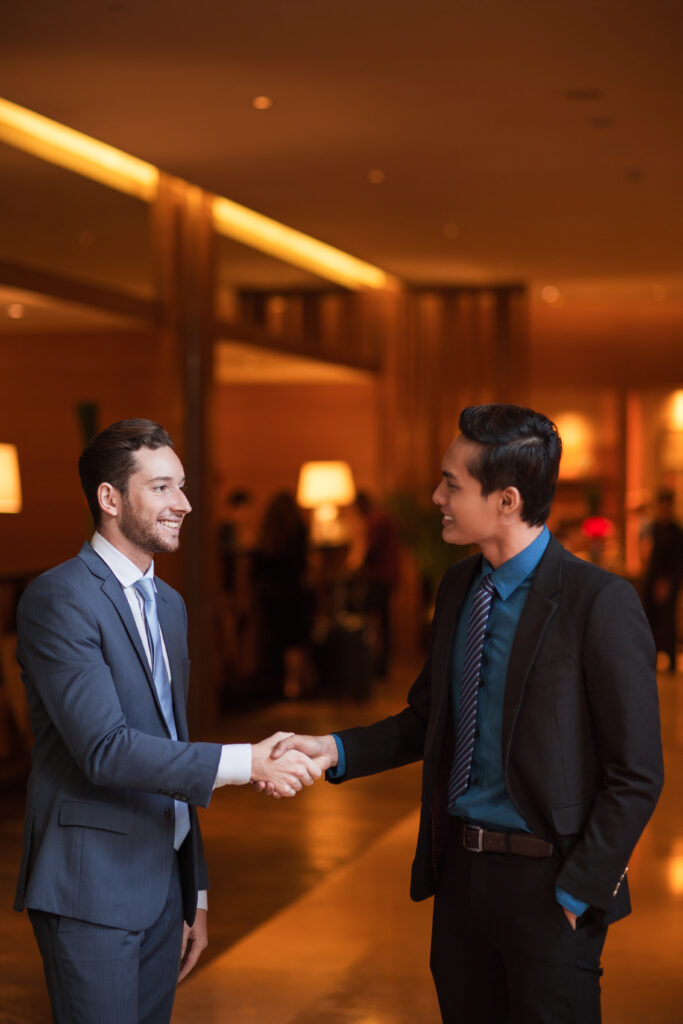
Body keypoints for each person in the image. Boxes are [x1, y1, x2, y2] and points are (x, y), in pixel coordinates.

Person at [268, 404, 664, 1023]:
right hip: (461, 879)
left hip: (550, 885)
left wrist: (578, 891)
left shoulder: (598, 601)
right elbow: (428, 718)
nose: (436, 497)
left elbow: (636, 773)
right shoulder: (459, 588)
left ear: (507, 500)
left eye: (451, 484)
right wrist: (334, 750)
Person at [13, 419, 321, 1024]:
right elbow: (105, 749)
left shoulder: (170, 605)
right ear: (109, 498)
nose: (183, 503)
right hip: (91, 888)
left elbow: (170, 745)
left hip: (164, 888)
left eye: (181, 486)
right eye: (161, 488)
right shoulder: (60, 598)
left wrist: (194, 889)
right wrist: (248, 762)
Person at [252, 490, 313, 698]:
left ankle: (279, 685)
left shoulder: (266, 537)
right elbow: (304, 566)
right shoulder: (298, 533)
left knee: (276, 642)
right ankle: (294, 684)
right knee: (295, 641)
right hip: (295, 595)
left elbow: (257, 572)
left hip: (271, 598)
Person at [352, 491, 401, 677]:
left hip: (379, 577)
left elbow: (372, 549)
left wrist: (358, 568)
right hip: (386, 576)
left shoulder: (376, 520)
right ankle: (380, 664)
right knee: (383, 621)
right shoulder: (380, 517)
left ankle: (375, 664)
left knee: (373, 620)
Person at [642, 486, 683, 673]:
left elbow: (677, 561)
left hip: (668, 583)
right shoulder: (655, 528)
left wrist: (667, 582)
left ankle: (671, 662)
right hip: (652, 580)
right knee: (650, 620)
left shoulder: (676, 531)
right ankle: (650, 658)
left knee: (667, 623)